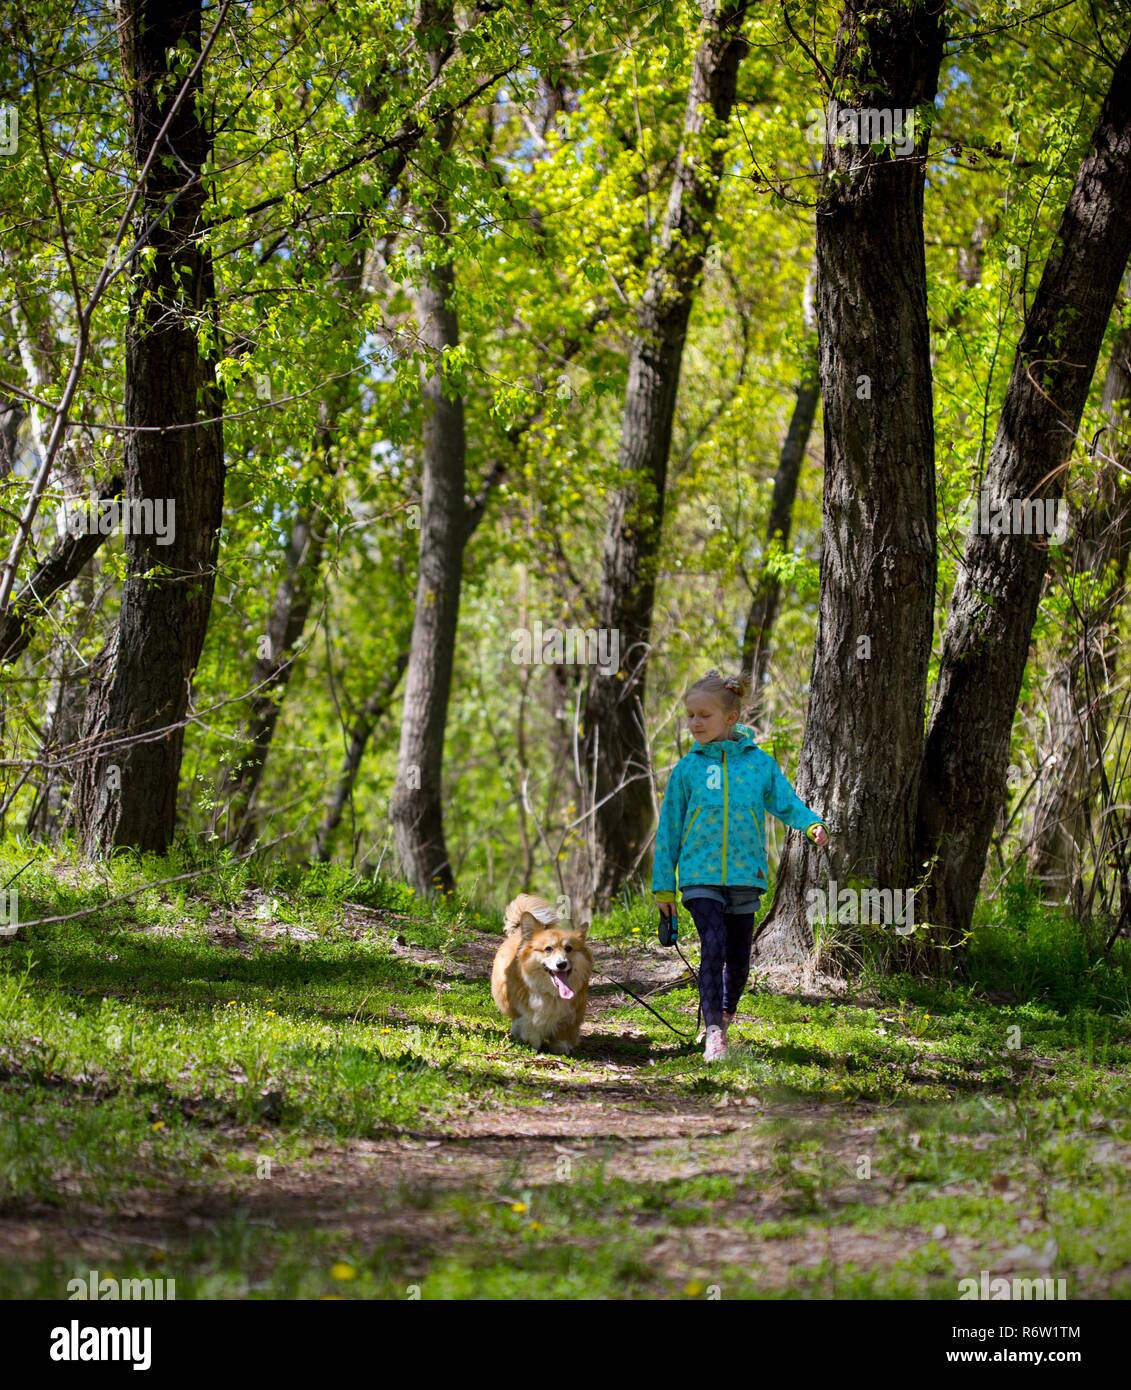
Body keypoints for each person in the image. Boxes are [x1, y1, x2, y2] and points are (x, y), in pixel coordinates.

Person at [653, 669, 829, 1061]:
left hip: (746, 876)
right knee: (712, 945)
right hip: (699, 877)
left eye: (704, 715)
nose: (695, 723)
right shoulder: (688, 769)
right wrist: (663, 886)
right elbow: (668, 831)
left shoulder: (759, 765)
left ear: (731, 719)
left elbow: (785, 802)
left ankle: (725, 1017)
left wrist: (811, 823)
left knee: (739, 958)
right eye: (691, 715)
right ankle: (713, 1032)